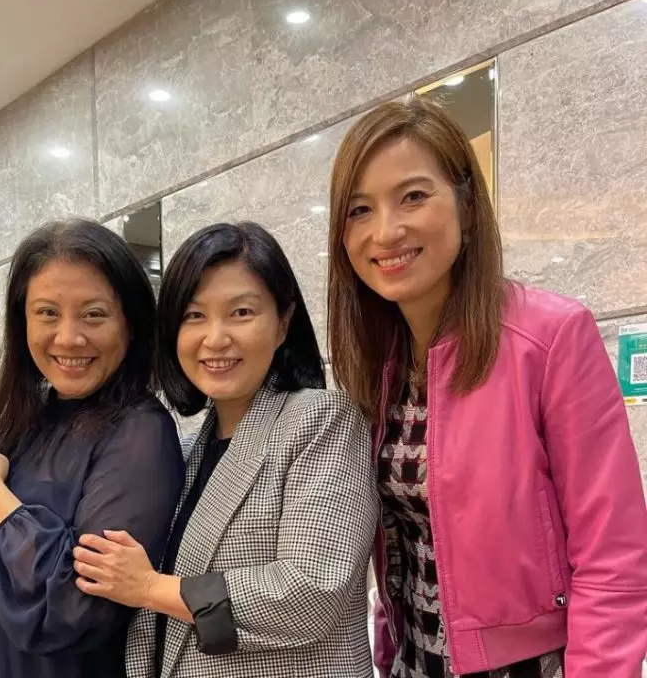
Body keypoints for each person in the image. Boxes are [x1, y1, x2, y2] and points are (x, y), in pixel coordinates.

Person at [326, 98, 647, 677]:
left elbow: (613, 558)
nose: (386, 231)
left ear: (468, 207)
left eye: (413, 196)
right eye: (360, 209)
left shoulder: (548, 337)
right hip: (412, 662)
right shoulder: (380, 363)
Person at [73, 221, 379, 678]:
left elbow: (312, 591)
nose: (215, 339)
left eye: (241, 312)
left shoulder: (322, 418)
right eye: (194, 316)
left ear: (283, 322)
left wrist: (150, 588)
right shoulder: (187, 448)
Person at [0, 219, 184, 678]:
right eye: (47, 313)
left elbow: (69, 606)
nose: (68, 337)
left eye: (94, 314)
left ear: (131, 324)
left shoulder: (141, 433)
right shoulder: (18, 422)